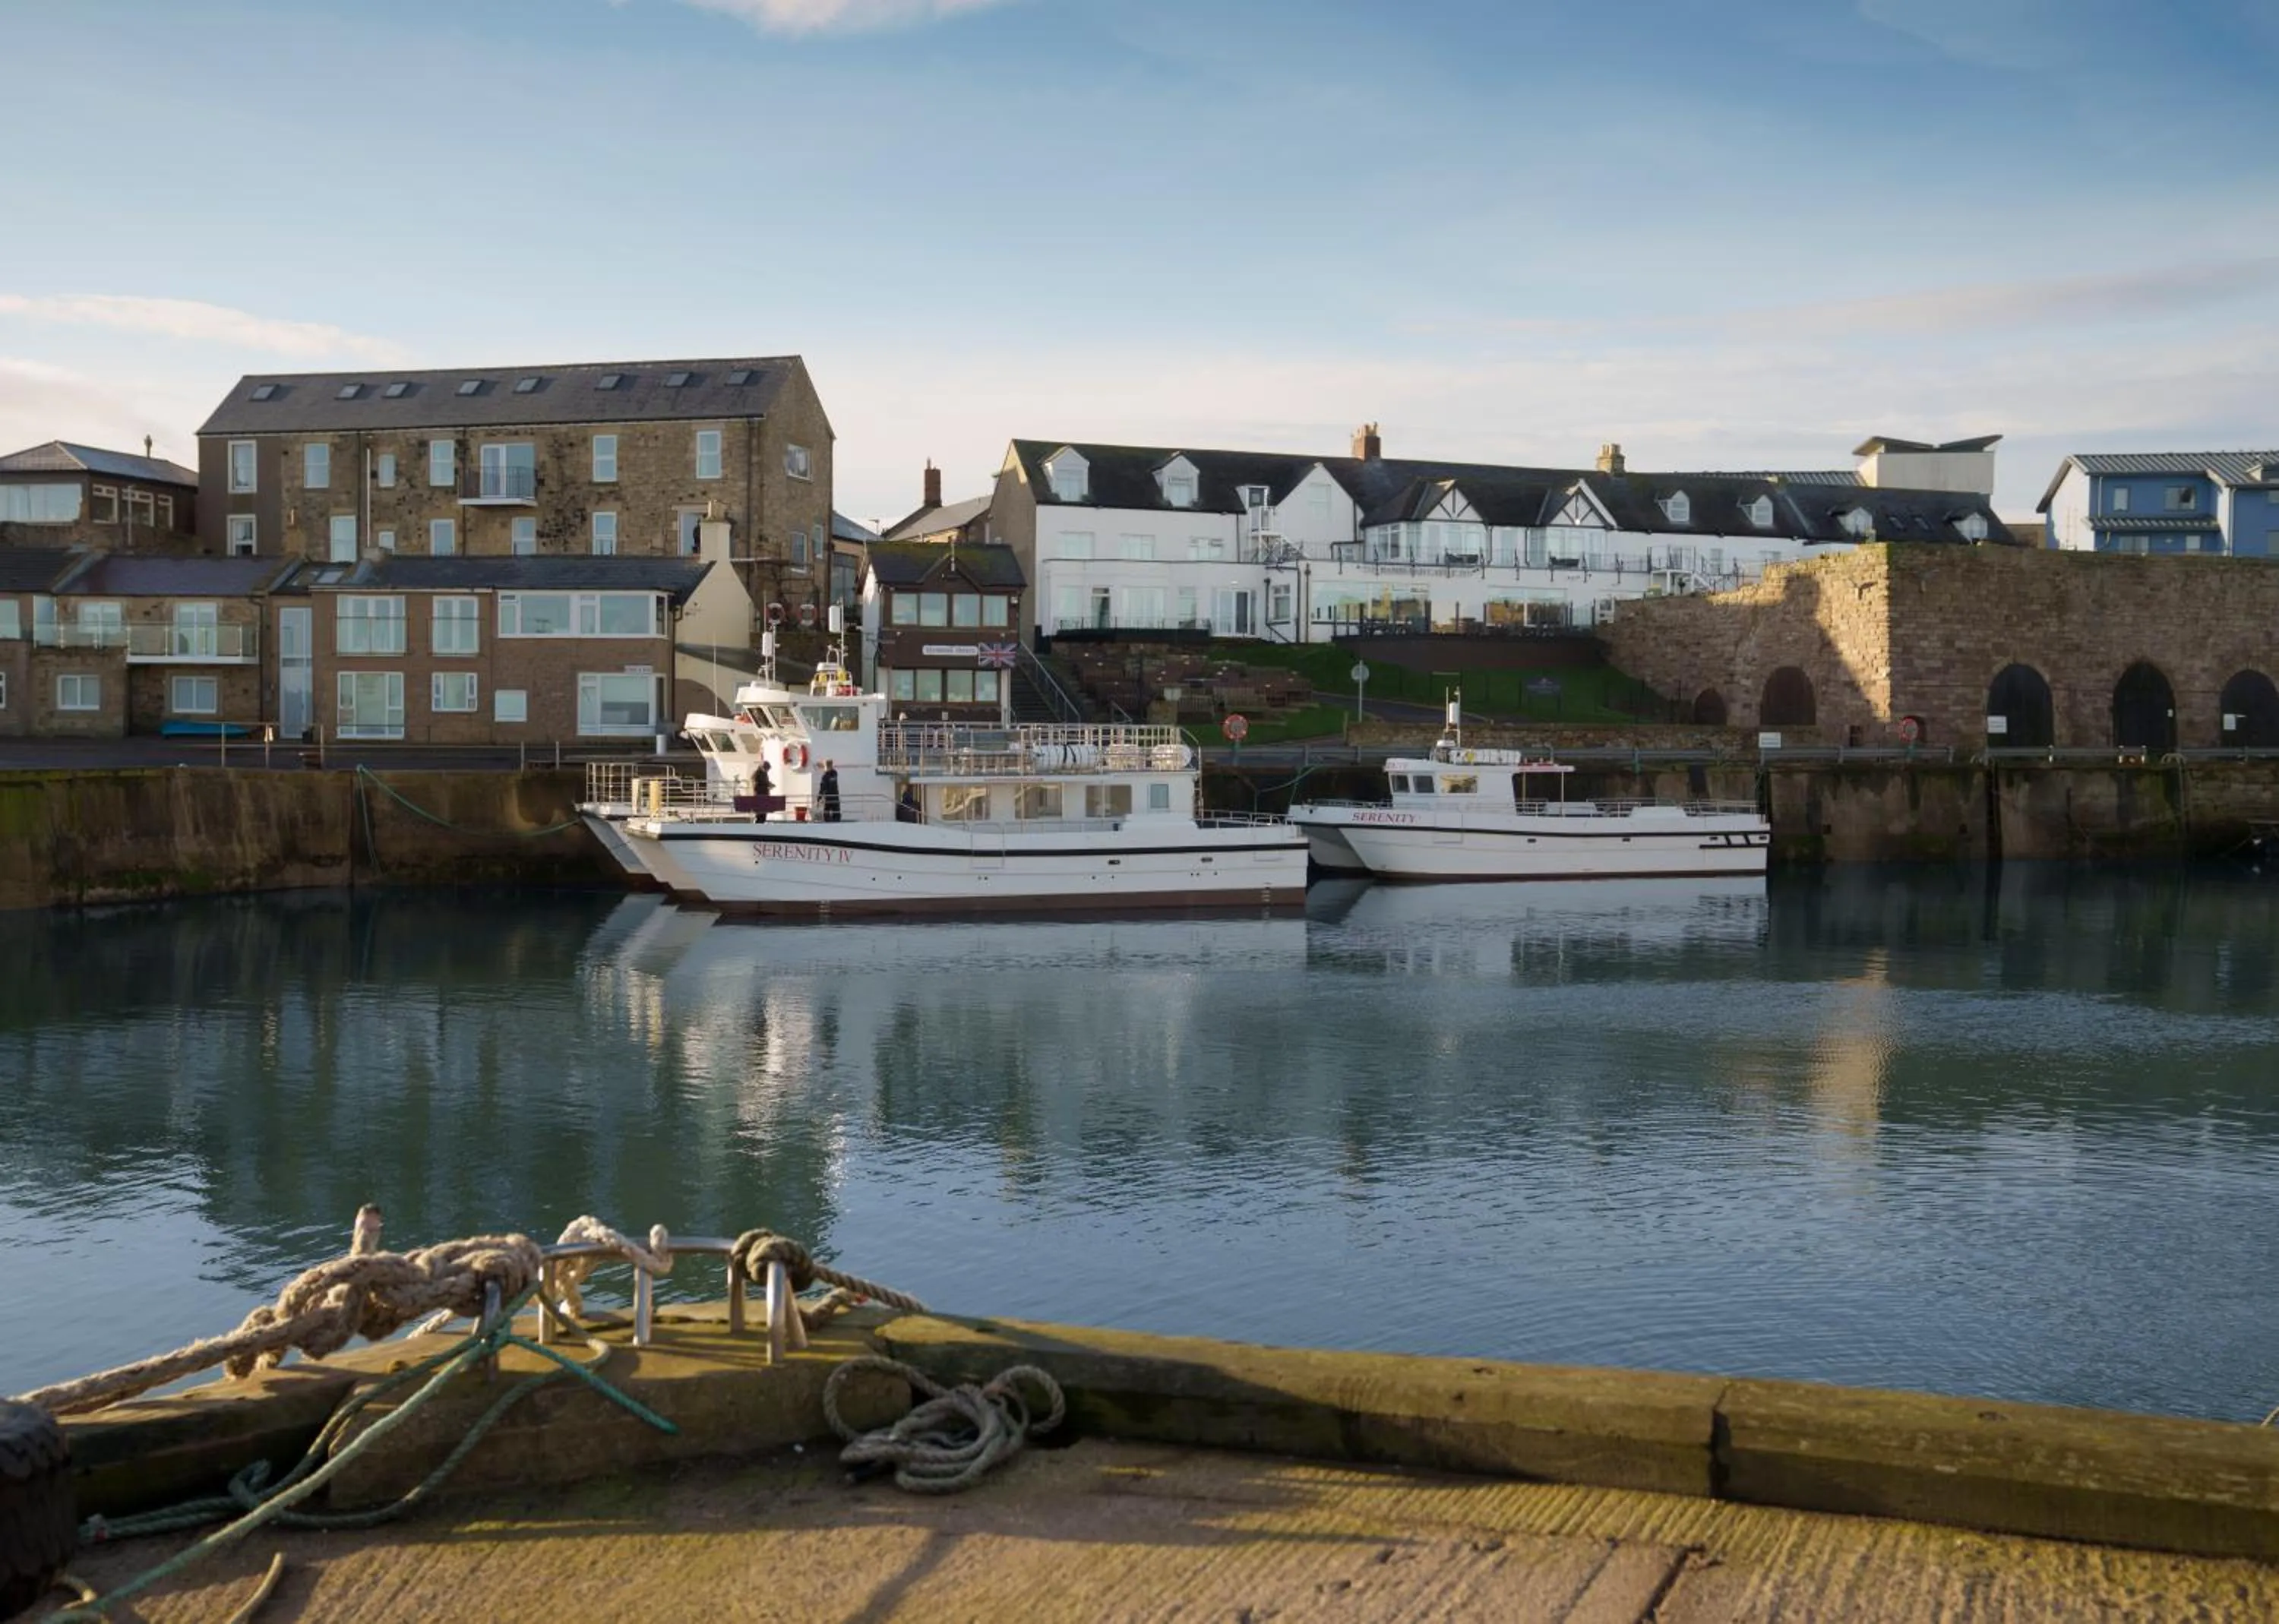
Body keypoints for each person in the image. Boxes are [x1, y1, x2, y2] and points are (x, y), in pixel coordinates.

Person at [819, 759, 842, 823]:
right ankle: (832, 822)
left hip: (831, 797)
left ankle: (833, 822)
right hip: (832, 797)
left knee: (833, 813)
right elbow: (823, 787)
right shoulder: (833, 774)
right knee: (831, 813)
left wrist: (819, 797)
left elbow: (823, 787)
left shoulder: (829, 775)